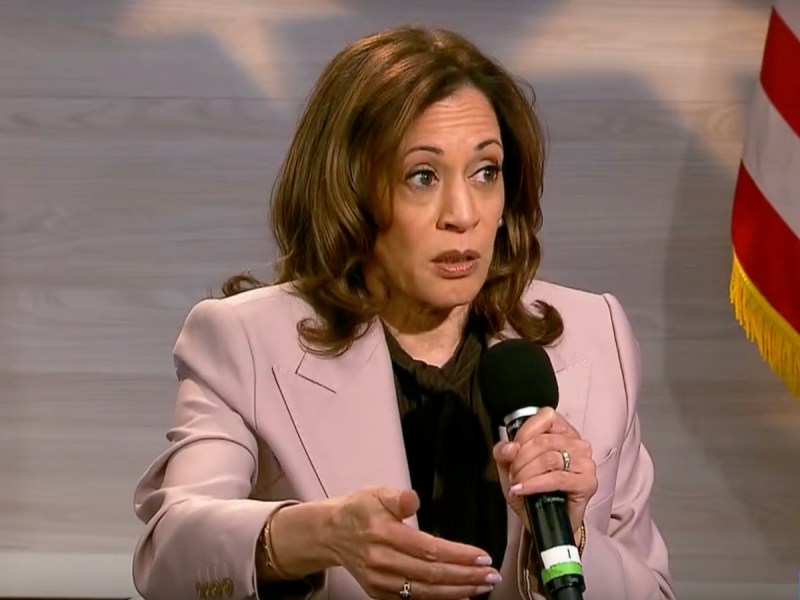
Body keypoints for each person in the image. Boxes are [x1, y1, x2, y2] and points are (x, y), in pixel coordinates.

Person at [132, 25, 676, 600]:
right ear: (350, 191)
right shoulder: (245, 341)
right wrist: (316, 535)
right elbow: (170, 556)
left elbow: (655, 588)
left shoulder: (595, 335)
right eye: (423, 176)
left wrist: (575, 536)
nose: (462, 213)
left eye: (485, 171)